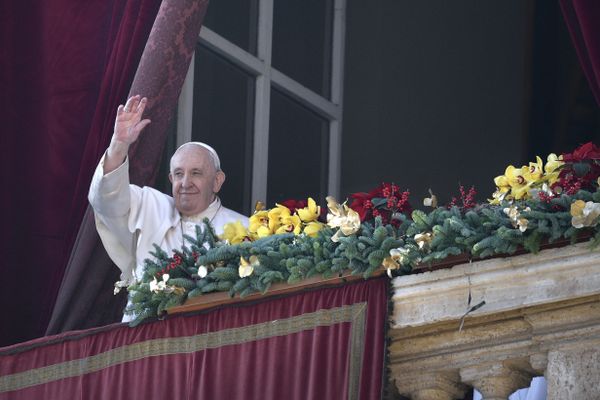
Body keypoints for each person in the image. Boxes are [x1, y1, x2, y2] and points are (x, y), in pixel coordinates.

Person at [88, 95, 248, 319]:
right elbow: (106, 199)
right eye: (179, 174)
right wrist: (119, 145)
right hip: (144, 339)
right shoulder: (150, 206)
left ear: (217, 181)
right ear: (171, 179)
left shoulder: (245, 229)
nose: (185, 183)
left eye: (196, 173)